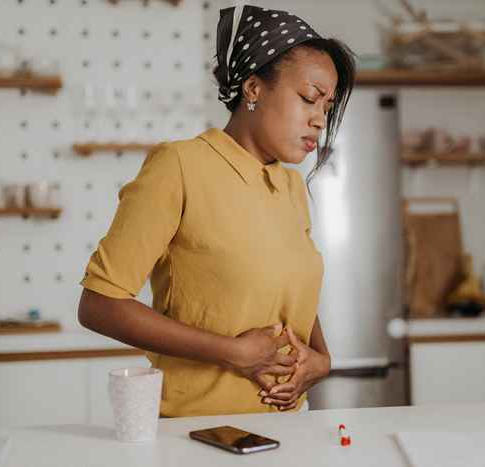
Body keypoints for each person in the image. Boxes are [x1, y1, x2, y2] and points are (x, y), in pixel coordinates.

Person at [77, 4, 355, 417]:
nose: (319, 119)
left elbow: (290, 289)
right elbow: (99, 304)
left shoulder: (291, 186)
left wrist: (321, 358)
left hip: (292, 429)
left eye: (327, 108)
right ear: (253, 88)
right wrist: (233, 353)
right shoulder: (180, 166)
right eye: (309, 98)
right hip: (196, 434)